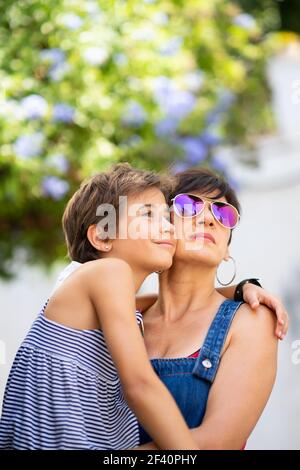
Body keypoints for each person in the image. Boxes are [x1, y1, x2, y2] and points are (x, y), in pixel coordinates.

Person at [0, 163, 199, 450]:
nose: (169, 226)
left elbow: (157, 302)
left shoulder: (88, 286)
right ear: (102, 237)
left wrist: (236, 289)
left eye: (167, 217)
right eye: (147, 214)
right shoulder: (108, 273)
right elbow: (140, 386)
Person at [136, 167, 281, 450]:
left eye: (223, 214)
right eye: (188, 206)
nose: (208, 219)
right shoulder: (121, 317)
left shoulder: (251, 319)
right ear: (161, 228)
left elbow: (218, 443)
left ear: (227, 249)